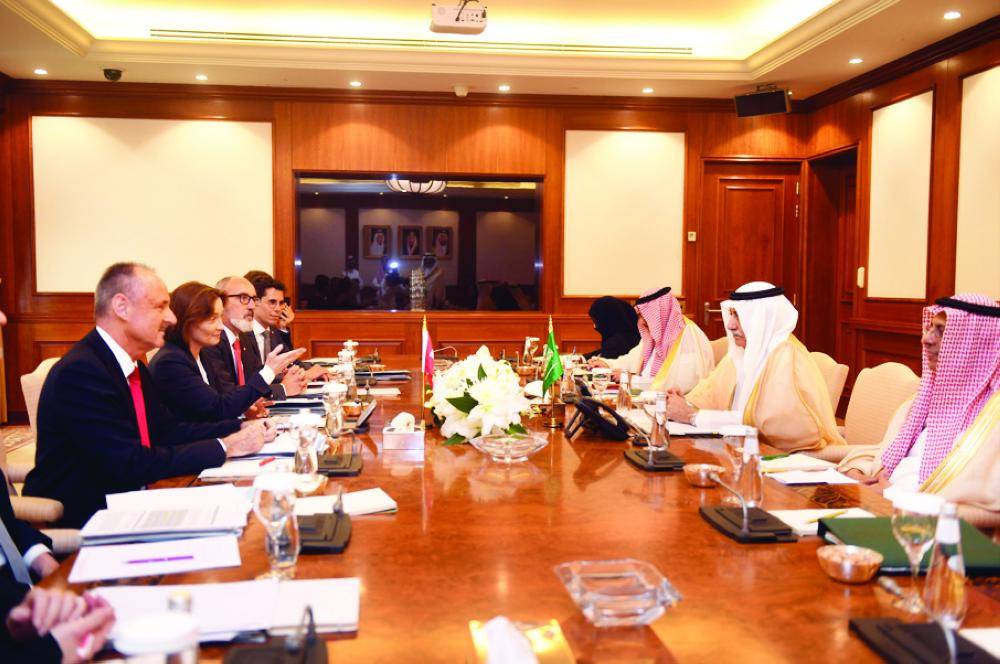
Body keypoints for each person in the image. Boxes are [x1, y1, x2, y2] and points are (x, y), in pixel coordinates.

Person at [23, 263, 270, 528]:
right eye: (160, 306)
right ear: (122, 307)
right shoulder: (82, 371)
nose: (171, 318)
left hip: (137, 498)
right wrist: (226, 446)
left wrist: (237, 428)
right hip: (93, 517)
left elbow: (167, 431)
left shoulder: (133, 366)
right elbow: (130, 463)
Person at [839, 293, 999, 527]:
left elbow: (988, 507)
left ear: (976, 344)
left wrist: (894, 496)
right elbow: (886, 452)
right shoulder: (923, 401)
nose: (926, 339)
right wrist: (858, 470)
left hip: (934, 533)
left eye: (941, 331)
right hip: (876, 510)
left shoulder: (992, 422)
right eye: (929, 328)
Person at [665, 281, 843, 452]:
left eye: (739, 316)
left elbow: (768, 427)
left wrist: (692, 416)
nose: (730, 325)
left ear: (762, 320)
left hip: (783, 458)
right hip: (737, 450)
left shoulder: (785, 356)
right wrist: (682, 402)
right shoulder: (740, 353)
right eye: (731, 314)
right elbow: (711, 394)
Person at [149, 282, 305, 422]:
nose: (220, 326)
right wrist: (270, 372)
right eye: (212, 319)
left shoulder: (200, 353)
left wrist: (243, 416)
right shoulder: (171, 361)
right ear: (187, 320)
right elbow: (218, 407)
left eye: (219, 317)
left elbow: (220, 404)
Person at [201, 276, 308, 401]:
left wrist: (289, 375)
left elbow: (254, 379)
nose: (252, 306)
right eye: (244, 298)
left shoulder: (242, 337)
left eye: (253, 299)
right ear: (220, 302)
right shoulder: (211, 341)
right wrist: (283, 388)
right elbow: (228, 394)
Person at [590, 286, 714, 393]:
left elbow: (680, 384)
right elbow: (632, 359)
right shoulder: (654, 334)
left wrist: (634, 381)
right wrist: (607, 364)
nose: (640, 322)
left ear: (658, 314)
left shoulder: (687, 337)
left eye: (643, 316)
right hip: (647, 397)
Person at [583, 296, 640, 361]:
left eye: (596, 321)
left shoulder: (616, 343)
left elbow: (604, 363)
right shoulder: (631, 333)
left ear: (607, 319)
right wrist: (583, 358)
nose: (595, 326)